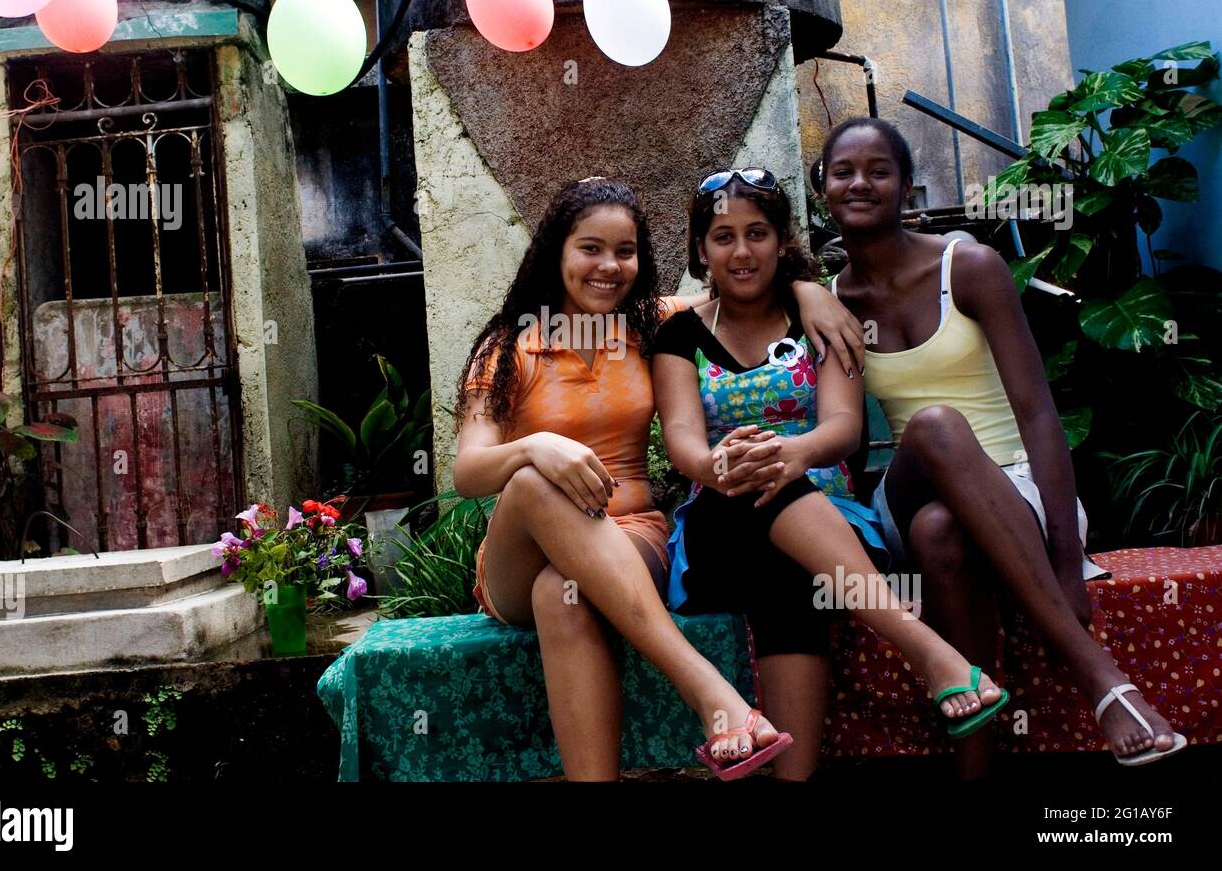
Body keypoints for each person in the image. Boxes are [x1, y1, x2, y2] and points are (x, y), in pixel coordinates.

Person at [452, 176, 863, 781]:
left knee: (559, 598)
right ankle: (710, 694)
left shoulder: (650, 325)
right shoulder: (510, 347)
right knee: (536, 482)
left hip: (630, 534)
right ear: (556, 253)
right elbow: (467, 473)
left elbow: (743, 284)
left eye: (625, 251)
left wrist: (810, 291)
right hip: (520, 550)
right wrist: (538, 446)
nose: (609, 266)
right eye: (590, 248)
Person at [821, 116, 1187, 773]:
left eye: (879, 170)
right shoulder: (829, 304)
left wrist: (1070, 563)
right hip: (904, 489)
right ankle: (1103, 681)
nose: (860, 182)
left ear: (906, 187)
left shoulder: (969, 267)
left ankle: (976, 770)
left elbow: (1039, 412)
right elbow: (839, 432)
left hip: (1015, 487)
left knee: (941, 533)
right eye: (844, 170)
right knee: (932, 431)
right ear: (822, 188)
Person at [652, 167, 1008, 781]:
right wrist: (720, 464)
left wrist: (795, 454)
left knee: (786, 570)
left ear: (783, 239)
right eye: (724, 237)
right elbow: (682, 439)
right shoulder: (680, 334)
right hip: (718, 523)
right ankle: (928, 653)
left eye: (758, 233)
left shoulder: (822, 317)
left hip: (828, 520)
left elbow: (843, 427)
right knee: (757, 486)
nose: (742, 252)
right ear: (700, 249)